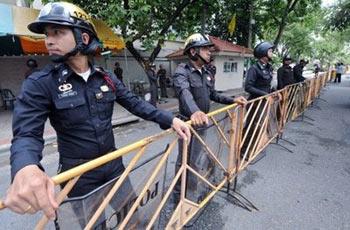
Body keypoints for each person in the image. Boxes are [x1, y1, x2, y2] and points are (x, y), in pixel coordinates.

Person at [3, 2, 191, 223]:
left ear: (82, 38)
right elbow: (26, 133)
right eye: (47, 34)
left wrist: (170, 119)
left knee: (132, 218)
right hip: (78, 175)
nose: (49, 40)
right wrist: (25, 166)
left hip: (113, 165)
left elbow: (135, 103)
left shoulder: (106, 77)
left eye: (57, 32)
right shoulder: (41, 83)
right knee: (95, 225)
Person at [172, 33, 247, 201]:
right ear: (193, 52)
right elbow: (184, 93)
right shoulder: (182, 72)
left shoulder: (206, 72)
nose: (209, 52)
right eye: (205, 48)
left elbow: (213, 94)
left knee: (194, 161)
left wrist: (232, 100)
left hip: (202, 124)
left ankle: (188, 195)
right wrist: (195, 111)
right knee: (185, 163)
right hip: (188, 125)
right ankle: (182, 199)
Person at [242, 41, 277, 158]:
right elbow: (248, 87)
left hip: (264, 102)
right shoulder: (254, 69)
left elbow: (267, 85)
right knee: (253, 126)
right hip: (255, 103)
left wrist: (273, 93)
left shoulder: (268, 68)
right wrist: (265, 95)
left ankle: (252, 147)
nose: (272, 53)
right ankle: (244, 151)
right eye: (270, 51)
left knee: (259, 126)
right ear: (263, 53)